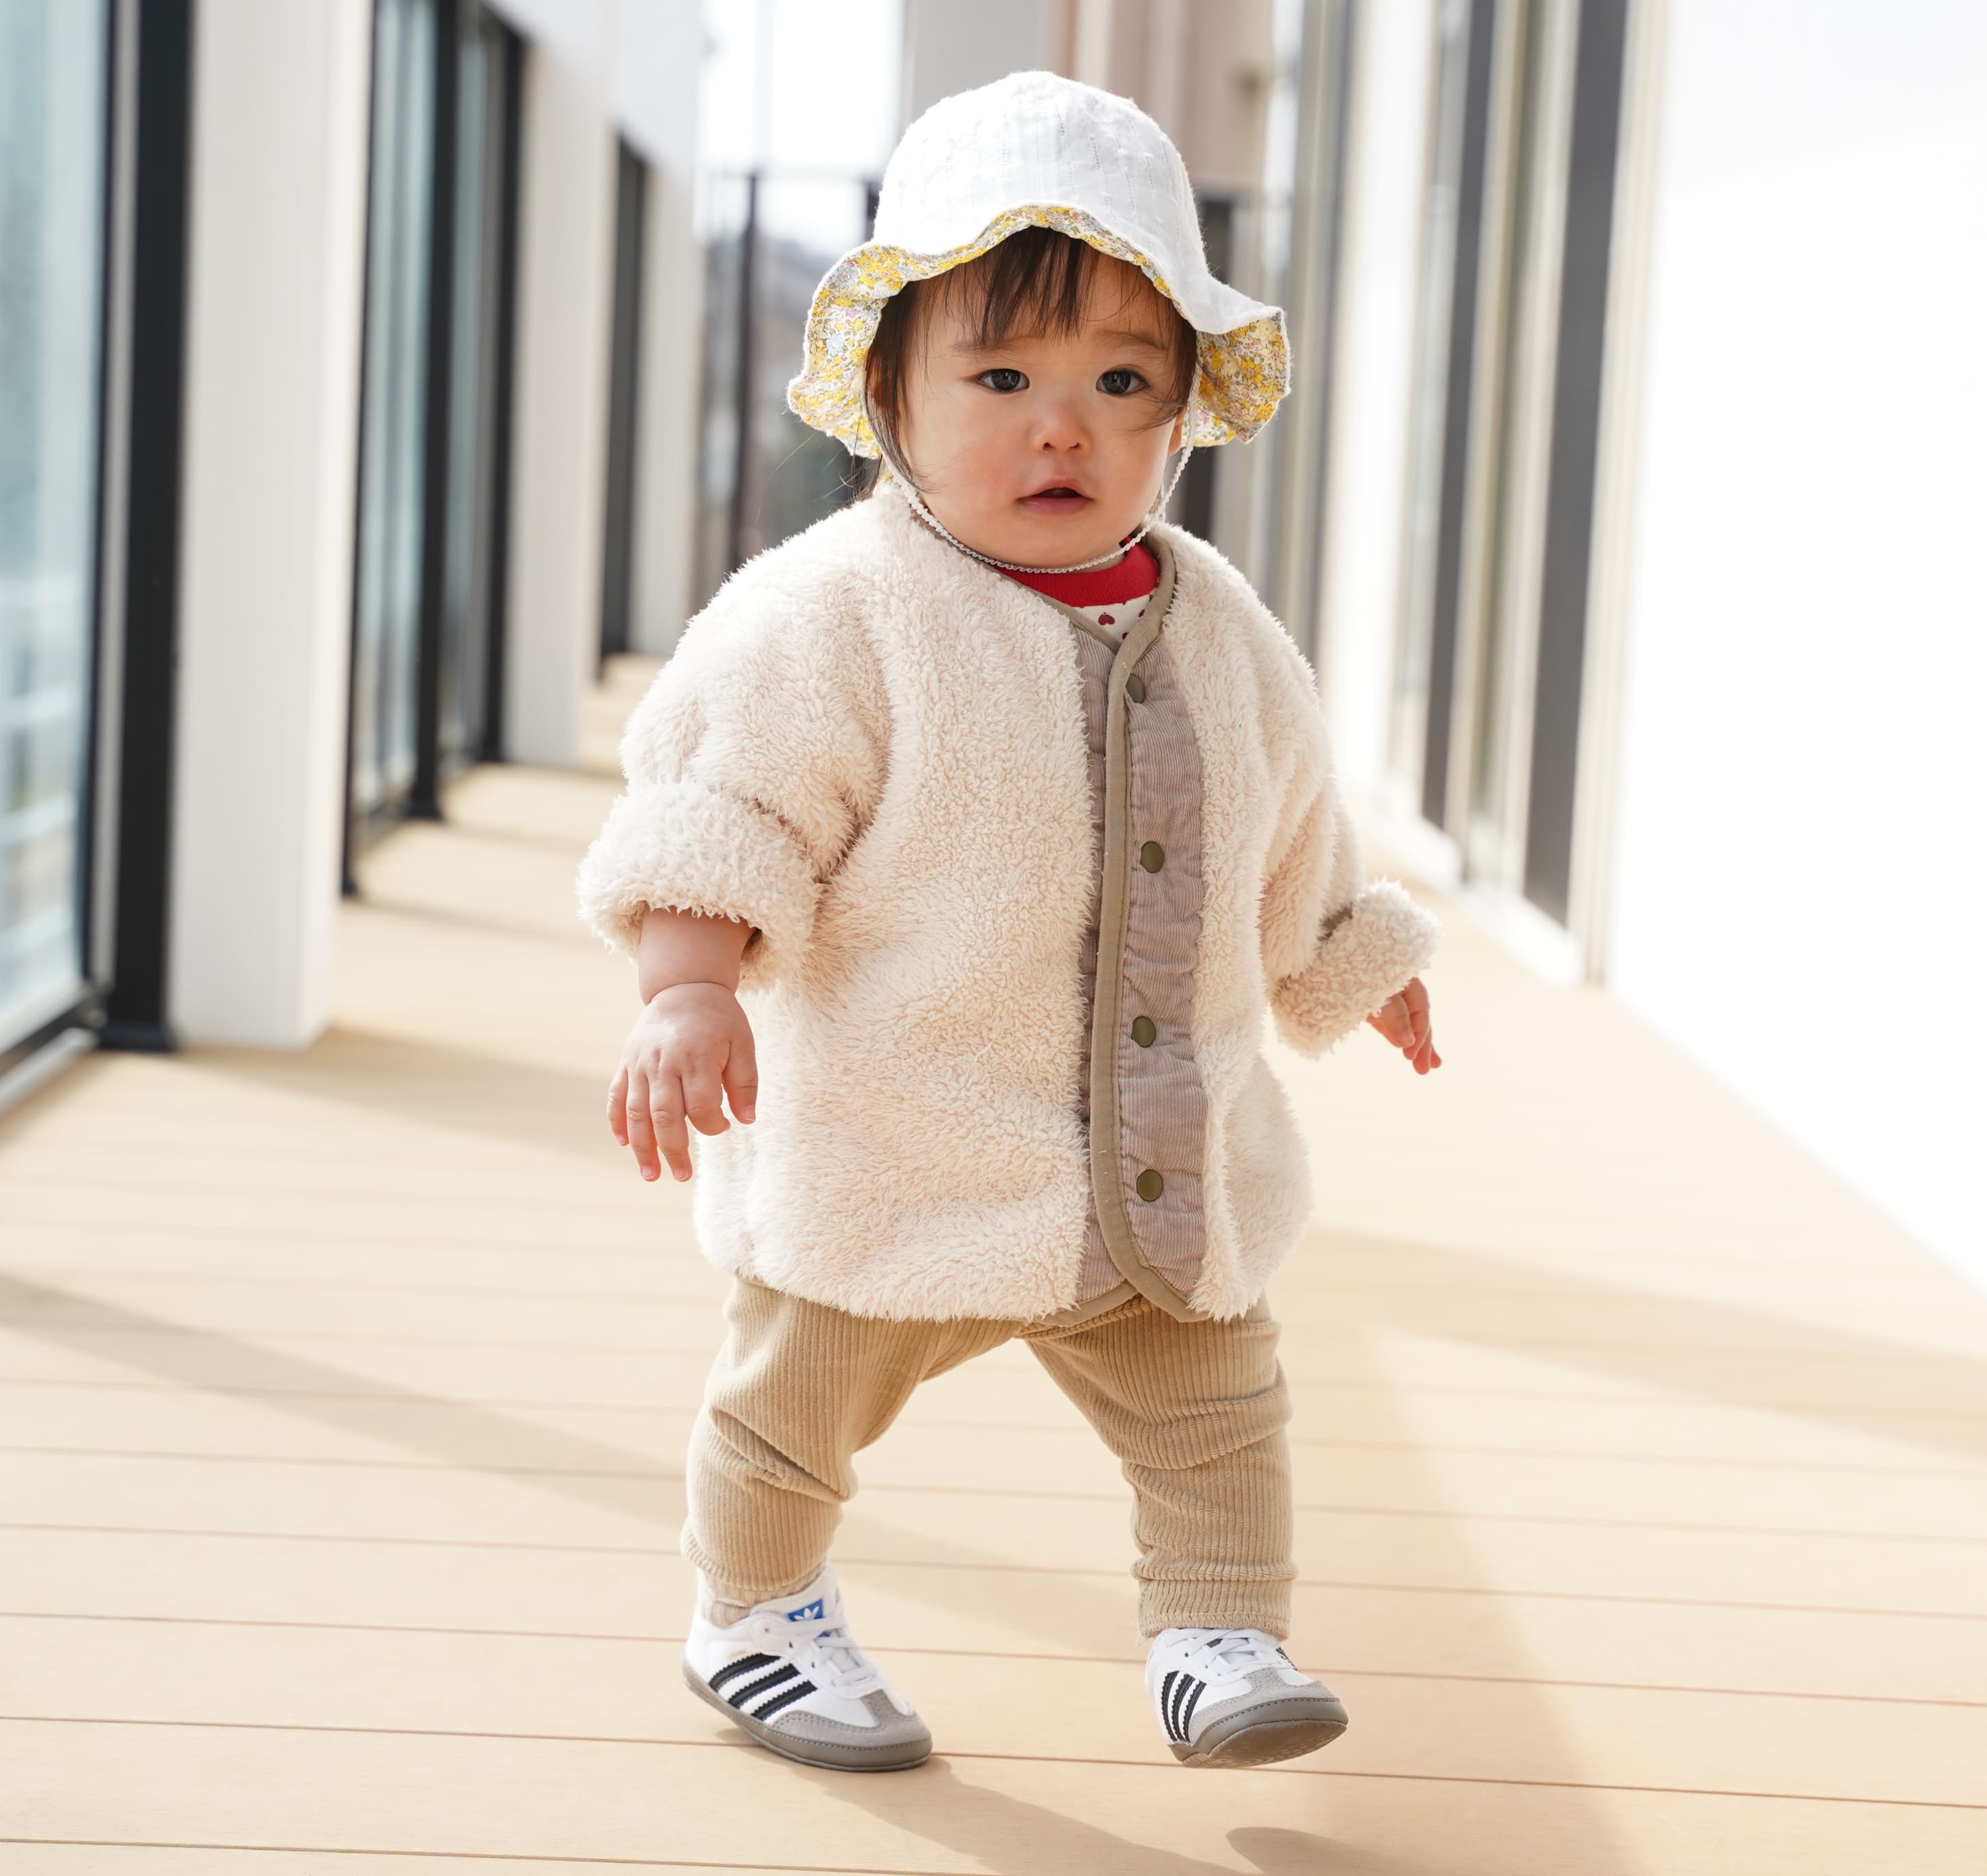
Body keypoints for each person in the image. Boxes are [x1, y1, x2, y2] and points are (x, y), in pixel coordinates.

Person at [577, 71, 1441, 1776]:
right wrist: (689, 989)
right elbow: (724, 808)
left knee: (1219, 1402)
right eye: (1000, 380)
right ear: (886, 392)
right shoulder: (833, 613)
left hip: (1160, 1157)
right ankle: (752, 1610)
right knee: (795, 1400)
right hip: (898, 1145)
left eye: (1120, 383)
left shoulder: (1218, 622)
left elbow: (1287, 816)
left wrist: (1351, 957)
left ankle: (1216, 1628)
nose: (1064, 431)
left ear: (1181, 410)